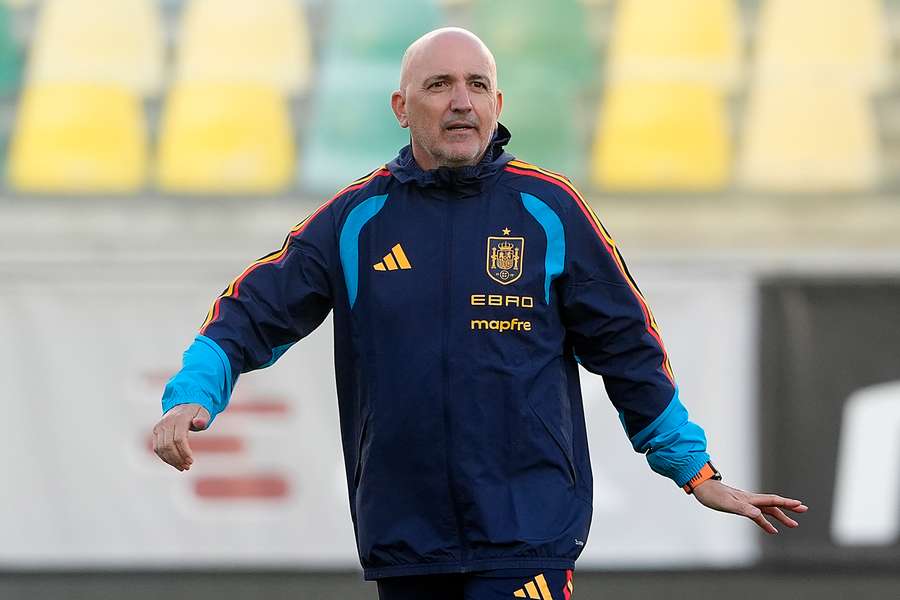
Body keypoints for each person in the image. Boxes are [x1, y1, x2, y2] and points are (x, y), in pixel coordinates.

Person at [151, 27, 807, 600]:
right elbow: (245, 315)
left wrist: (695, 473)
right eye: (438, 85)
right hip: (405, 537)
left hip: (528, 532)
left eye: (477, 84)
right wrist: (191, 396)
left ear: (498, 103)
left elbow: (629, 350)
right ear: (401, 108)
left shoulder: (551, 211)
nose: (461, 100)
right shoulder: (356, 221)